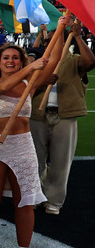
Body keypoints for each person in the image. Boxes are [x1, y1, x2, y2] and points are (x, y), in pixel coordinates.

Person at [0, 36, 62, 248]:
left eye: (16, 58)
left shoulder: (29, 84)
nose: (11, 61)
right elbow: (4, 86)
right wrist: (30, 67)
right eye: (6, 57)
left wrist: (60, 30)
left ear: (20, 62)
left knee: (24, 202)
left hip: (23, 146)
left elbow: (54, 58)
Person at [30, 19, 95, 215]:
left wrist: (77, 36)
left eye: (57, 38)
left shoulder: (74, 60)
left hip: (65, 115)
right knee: (35, 159)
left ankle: (54, 201)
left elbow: (90, 62)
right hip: (37, 114)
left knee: (61, 160)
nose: (53, 41)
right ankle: (37, 196)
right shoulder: (39, 61)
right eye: (50, 38)